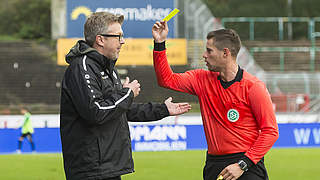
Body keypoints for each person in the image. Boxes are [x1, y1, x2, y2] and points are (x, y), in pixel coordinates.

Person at [60, 12, 191, 180]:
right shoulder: (82, 67)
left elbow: (121, 110)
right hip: (91, 170)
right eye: (118, 36)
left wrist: (162, 109)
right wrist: (127, 93)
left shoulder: (107, 69)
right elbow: (95, 111)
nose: (122, 41)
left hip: (108, 167)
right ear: (100, 39)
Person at [152, 21, 279, 180]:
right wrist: (159, 43)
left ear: (225, 53)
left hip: (246, 165)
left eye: (209, 50)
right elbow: (166, 79)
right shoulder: (201, 79)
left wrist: (243, 164)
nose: (204, 55)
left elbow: (270, 131)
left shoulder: (253, 87)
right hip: (214, 164)